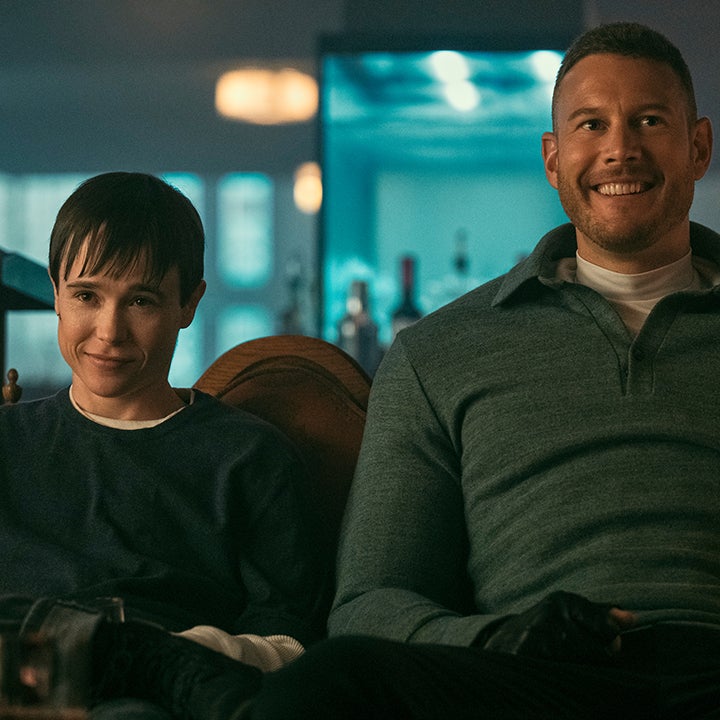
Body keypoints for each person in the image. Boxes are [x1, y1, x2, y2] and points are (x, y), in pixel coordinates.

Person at [238, 21, 720, 719]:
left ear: (698, 147)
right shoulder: (439, 352)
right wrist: (498, 637)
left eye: (649, 120)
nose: (620, 148)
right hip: (525, 680)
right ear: (553, 159)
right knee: (326, 683)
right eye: (591, 124)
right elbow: (371, 601)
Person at [0, 172, 328, 718]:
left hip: (156, 694)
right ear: (55, 292)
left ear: (188, 304)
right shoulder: (9, 443)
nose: (109, 331)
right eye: (86, 295)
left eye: (141, 301)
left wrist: (176, 652)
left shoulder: (248, 458)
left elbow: (292, 642)